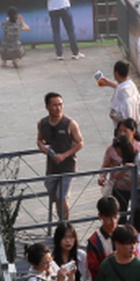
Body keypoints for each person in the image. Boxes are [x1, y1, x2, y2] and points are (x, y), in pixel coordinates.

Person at [37, 92, 83, 224]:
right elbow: (40, 139)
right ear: (47, 107)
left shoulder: (70, 124)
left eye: (60, 105)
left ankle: (65, 225)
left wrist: (64, 155)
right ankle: (61, 222)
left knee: (61, 196)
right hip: (52, 166)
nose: (58, 108)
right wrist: (42, 147)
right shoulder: (43, 123)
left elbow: (80, 143)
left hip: (68, 165)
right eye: (55, 105)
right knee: (55, 197)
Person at [97, 59, 140, 126]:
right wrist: (109, 83)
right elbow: (122, 87)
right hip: (133, 124)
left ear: (116, 73)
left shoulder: (122, 91)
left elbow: (124, 113)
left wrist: (112, 116)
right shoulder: (131, 84)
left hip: (124, 127)